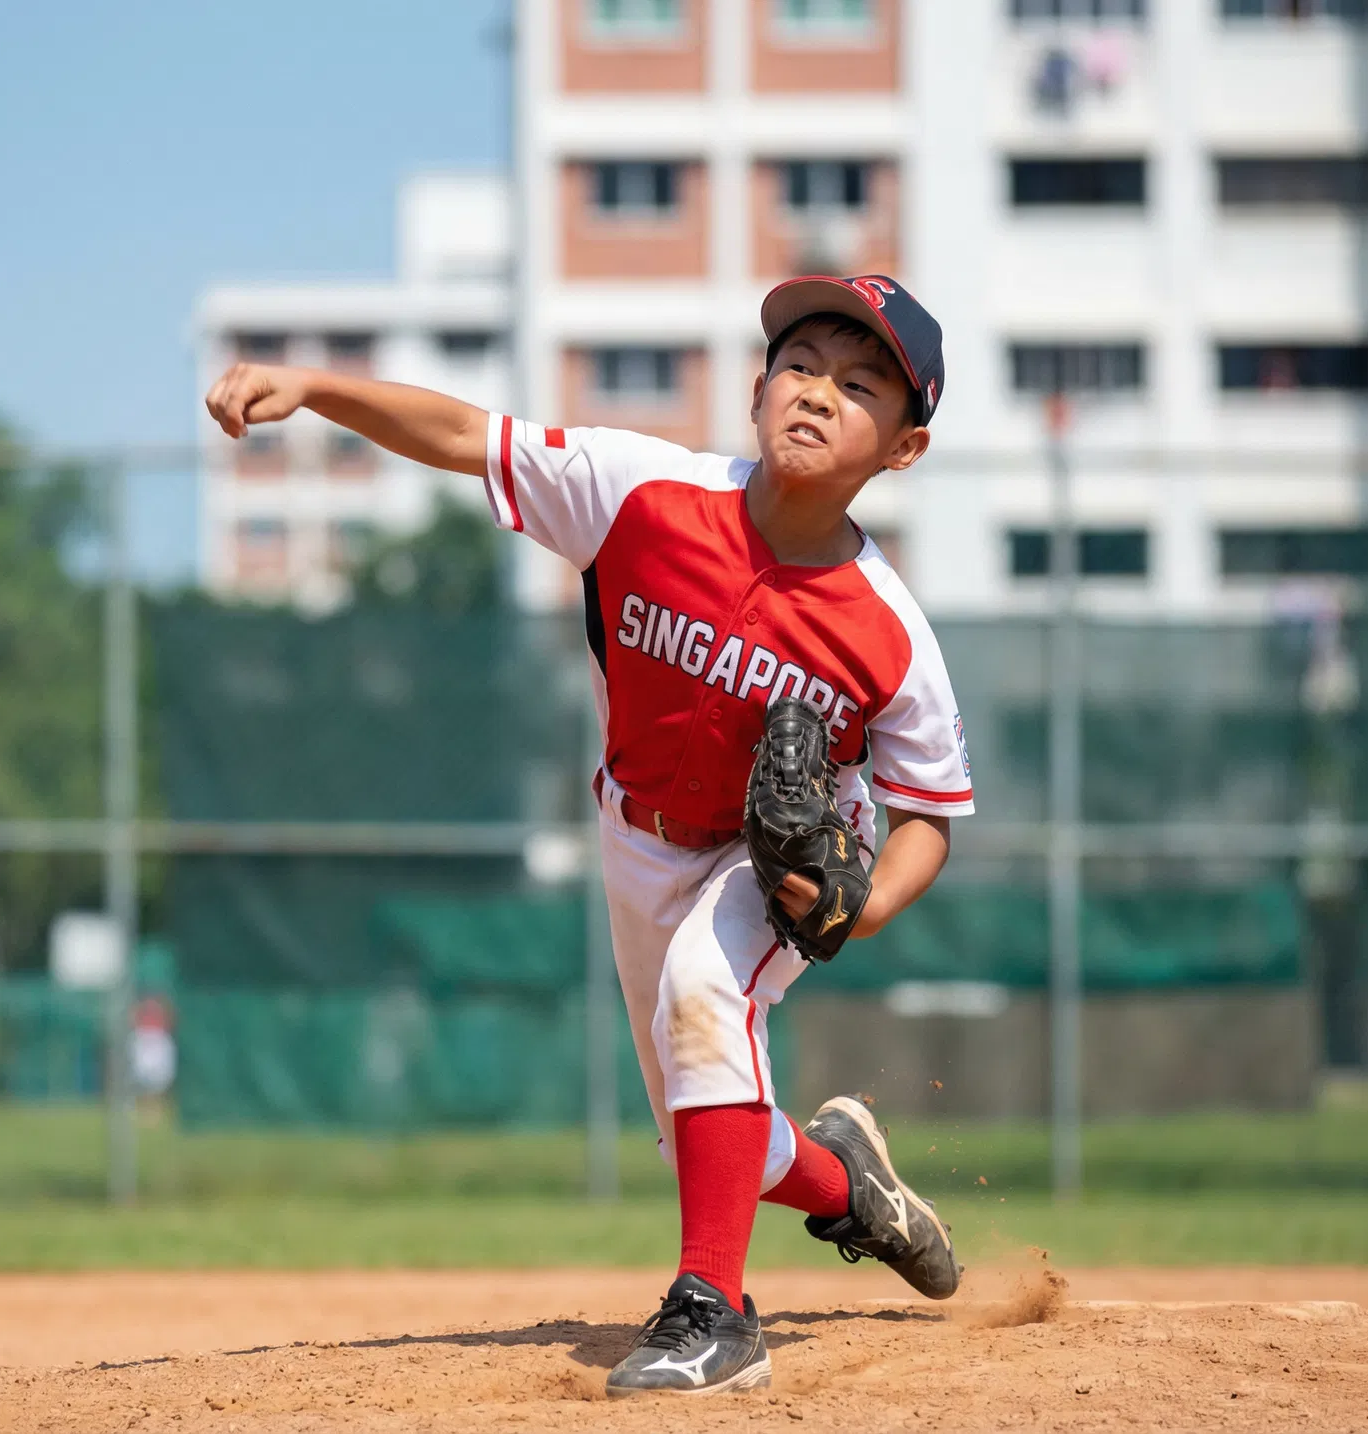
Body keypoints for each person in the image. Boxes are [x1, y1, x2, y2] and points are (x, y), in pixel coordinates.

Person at [205, 274, 972, 1398]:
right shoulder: (642, 491)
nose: (817, 393)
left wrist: (865, 902)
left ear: (902, 449)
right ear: (758, 388)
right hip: (637, 836)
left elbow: (933, 817)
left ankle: (714, 1313)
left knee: (709, 1000)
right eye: (800, 364)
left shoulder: (890, 632)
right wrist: (314, 385)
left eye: (861, 386)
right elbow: (470, 436)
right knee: (710, 1131)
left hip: (775, 861)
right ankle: (851, 1188)